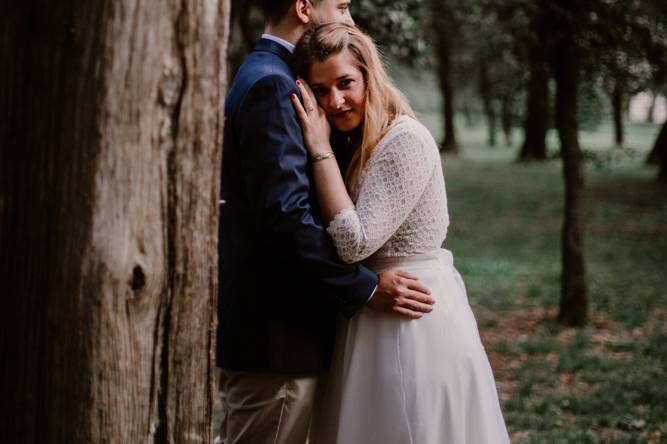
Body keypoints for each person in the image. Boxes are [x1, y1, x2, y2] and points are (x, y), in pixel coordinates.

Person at [218, 2, 436, 443]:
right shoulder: (274, 85)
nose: (349, 19)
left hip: (286, 334)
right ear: (303, 7)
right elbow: (286, 216)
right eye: (341, 6)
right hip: (278, 337)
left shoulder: (270, 73)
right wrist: (365, 287)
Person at [290, 23, 511, 443]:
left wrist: (318, 149)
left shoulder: (404, 140)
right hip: (373, 312)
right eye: (320, 91)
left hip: (413, 318)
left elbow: (353, 243)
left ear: (369, 76)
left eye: (345, 83)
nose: (334, 101)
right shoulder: (358, 140)